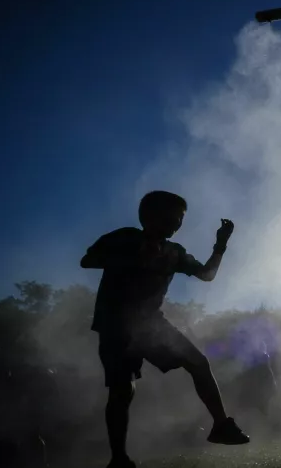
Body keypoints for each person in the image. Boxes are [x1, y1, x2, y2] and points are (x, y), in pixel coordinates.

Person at [81, 190, 249, 468]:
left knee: (198, 362)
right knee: (122, 389)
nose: (178, 224)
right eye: (174, 217)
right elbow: (88, 260)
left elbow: (207, 275)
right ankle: (119, 458)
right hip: (115, 323)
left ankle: (221, 425)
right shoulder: (125, 237)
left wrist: (220, 245)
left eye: (181, 219)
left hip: (151, 324)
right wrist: (133, 257)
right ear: (151, 216)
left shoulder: (175, 252)